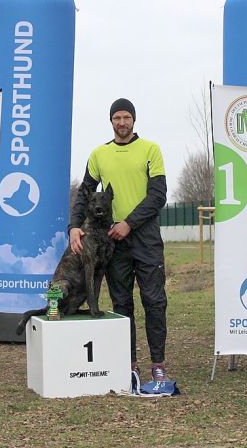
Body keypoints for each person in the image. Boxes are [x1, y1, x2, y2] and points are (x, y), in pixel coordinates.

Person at [68, 98, 170, 382]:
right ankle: (130, 363)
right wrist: (74, 226)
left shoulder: (151, 149)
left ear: (134, 120)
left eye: (126, 117)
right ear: (111, 121)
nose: (122, 122)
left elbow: (158, 195)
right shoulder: (99, 154)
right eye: (117, 118)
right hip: (113, 240)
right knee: (121, 303)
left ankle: (158, 364)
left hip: (145, 236)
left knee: (154, 301)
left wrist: (130, 223)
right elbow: (85, 194)